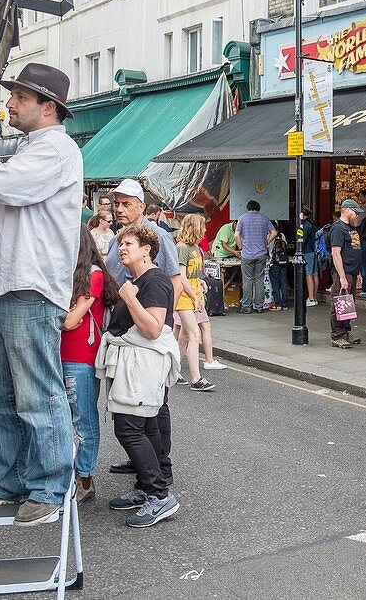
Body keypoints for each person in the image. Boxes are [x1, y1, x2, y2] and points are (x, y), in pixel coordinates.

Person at [0, 62, 81, 527]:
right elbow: (1, 198)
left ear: (48, 108)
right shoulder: (32, 149)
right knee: (0, 393)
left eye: (20, 97)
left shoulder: (56, 148)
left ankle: (48, 485)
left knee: (36, 393)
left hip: (30, 284)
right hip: (9, 284)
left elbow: (11, 187)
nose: (10, 104)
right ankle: (10, 481)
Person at [98, 225, 182, 527]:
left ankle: (159, 496)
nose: (122, 248)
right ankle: (147, 488)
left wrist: (130, 298)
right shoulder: (139, 280)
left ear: (146, 249)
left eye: (128, 243)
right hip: (134, 364)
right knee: (145, 426)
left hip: (141, 366)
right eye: (120, 244)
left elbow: (154, 328)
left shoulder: (155, 281)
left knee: (130, 428)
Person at [104, 178, 188, 479]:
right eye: (117, 203)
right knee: (135, 409)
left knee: (153, 406)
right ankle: (142, 460)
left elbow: (174, 280)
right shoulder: (120, 238)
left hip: (146, 332)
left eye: (126, 203)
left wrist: (160, 319)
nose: (120, 208)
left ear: (142, 206)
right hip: (129, 328)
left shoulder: (156, 238)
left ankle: (159, 467)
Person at [61, 225, 119, 504]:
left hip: (80, 357)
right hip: (58, 355)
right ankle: (69, 475)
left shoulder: (93, 275)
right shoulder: (66, 274)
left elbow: (71, 321)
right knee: (61, 420)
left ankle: (85, 478)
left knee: (83, 420)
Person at [173, 213, 217, 392]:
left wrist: (200, 282)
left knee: (184, 336)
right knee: (194, 335)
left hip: (193, 292)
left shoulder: (195, 247)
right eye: (202, 226)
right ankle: (196, 379)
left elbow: (192, 276)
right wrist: (194, 296)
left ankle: (173, 370)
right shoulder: (182, 247)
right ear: (194, 227)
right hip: (184, 296)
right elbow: (181, 278)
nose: (205, 230)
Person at [329, 199, 363, 349]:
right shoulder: (338, 228)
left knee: (348, 304)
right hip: (343, 272)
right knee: (339, 303)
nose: (357, 216)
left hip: (352, 271)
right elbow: (336, 253)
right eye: (356, 213)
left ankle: (345, 332)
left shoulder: (351, 228)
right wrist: (342, 276)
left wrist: (359, 273)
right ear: (348, 210)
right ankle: (337, 336)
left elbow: (355, 249)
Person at [236, 201, 277, 314]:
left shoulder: (242, 218)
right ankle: (259, 306)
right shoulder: (264, 219)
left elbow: (236, 235)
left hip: (247, 254)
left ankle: (246, 307)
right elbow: (274, 232)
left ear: (248, 208)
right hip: (261, 254)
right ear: (258, 208)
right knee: (259, 279)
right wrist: (266, 242)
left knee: (247, 280)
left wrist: (241, 246)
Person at [298, 206, 320, 307]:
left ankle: (310, 298)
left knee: (309, 274)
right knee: (315, 274)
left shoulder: (305, 225)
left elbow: (302, 239)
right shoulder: (313, 223)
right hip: (315, 251)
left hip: (308, 251)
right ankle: (314, 298)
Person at [269, 223, 290, 310]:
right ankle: (285, 304)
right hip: (283, 262)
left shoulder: (269, 236)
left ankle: (278, 303)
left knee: (275, 283)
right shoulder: (282, 235)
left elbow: (267, 248)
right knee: (283, 282)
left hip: (274, 263)